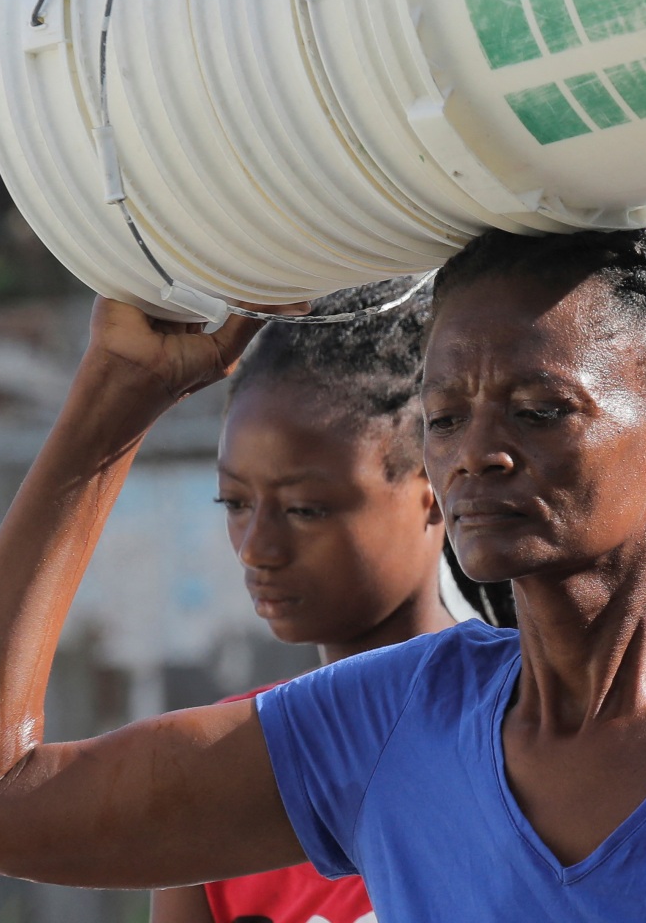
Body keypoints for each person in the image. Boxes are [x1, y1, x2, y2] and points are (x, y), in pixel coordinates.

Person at [0, 227, 646, 921]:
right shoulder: (385, 723)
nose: (478, 452)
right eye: (446, 416)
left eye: (542, 411)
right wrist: (111, 405)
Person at [153, 281, 495, 923]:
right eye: (235, 503)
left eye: (305, 508)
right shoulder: (225, 768)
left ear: (434, 483)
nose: (257, 548)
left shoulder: (535, 732)